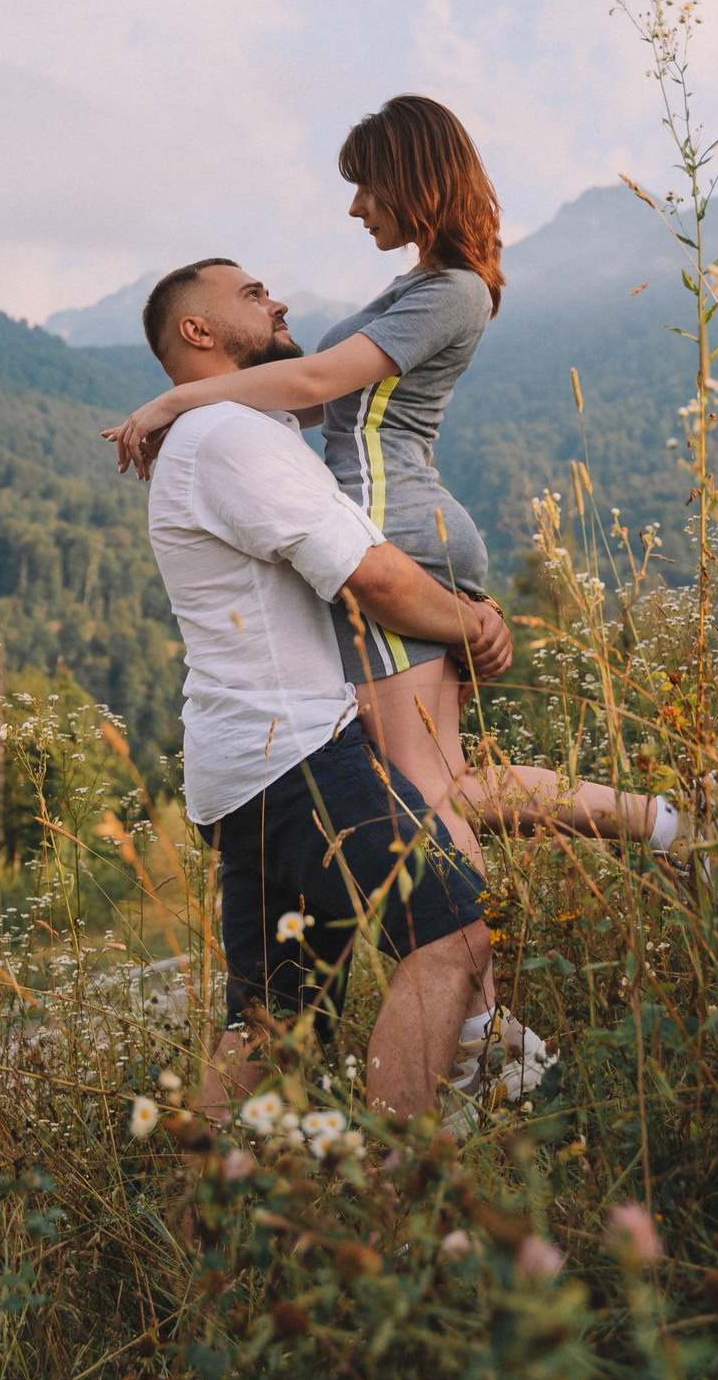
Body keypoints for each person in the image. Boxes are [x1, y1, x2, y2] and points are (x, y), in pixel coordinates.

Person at [106, 97, 679, 876]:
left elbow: (310, 377)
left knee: (425, 799)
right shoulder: (420, 286)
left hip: (389, 526)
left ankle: (474, 984)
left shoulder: (450, 291)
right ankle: (669, 827)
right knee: (441, 786)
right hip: (404, 521)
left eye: (368, 186)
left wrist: (171, 399)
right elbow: (309, 400)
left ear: (412, 178)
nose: (355, 207)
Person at [133, 255, 510, 1125]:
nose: (277, 302)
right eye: (252, 295)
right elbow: (370, 577)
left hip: (248, 768)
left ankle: (204, 1235)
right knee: (450, 938)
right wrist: (471, 624)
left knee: (272, 1024)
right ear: (198, 330)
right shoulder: (230, 438)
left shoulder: (229, 431)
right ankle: (397, 1200)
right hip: (298, 752)